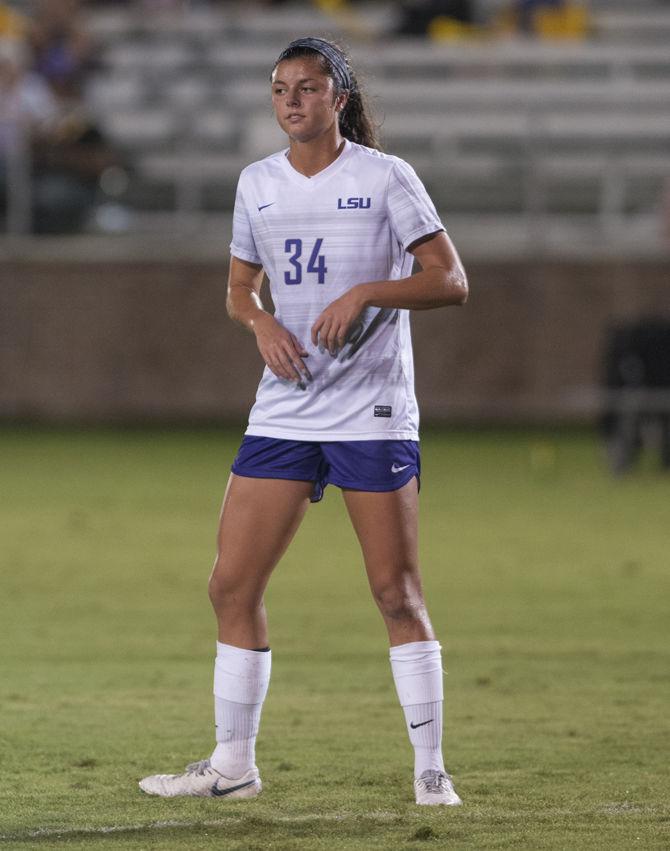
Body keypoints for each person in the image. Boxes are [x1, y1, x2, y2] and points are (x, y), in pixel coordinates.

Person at [139, 36, 468, 807]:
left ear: (339, 97)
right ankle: (233, 764)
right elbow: (239, 290)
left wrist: (366, 294)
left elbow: (450, 280)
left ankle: (430, 768)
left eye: (309, 87)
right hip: (286, 404)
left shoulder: (386, 178)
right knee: (230, 583)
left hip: (372, 411)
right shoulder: (257, 183)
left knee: (395, 592)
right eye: (281, 88)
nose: (292, 100)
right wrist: (258, 323)